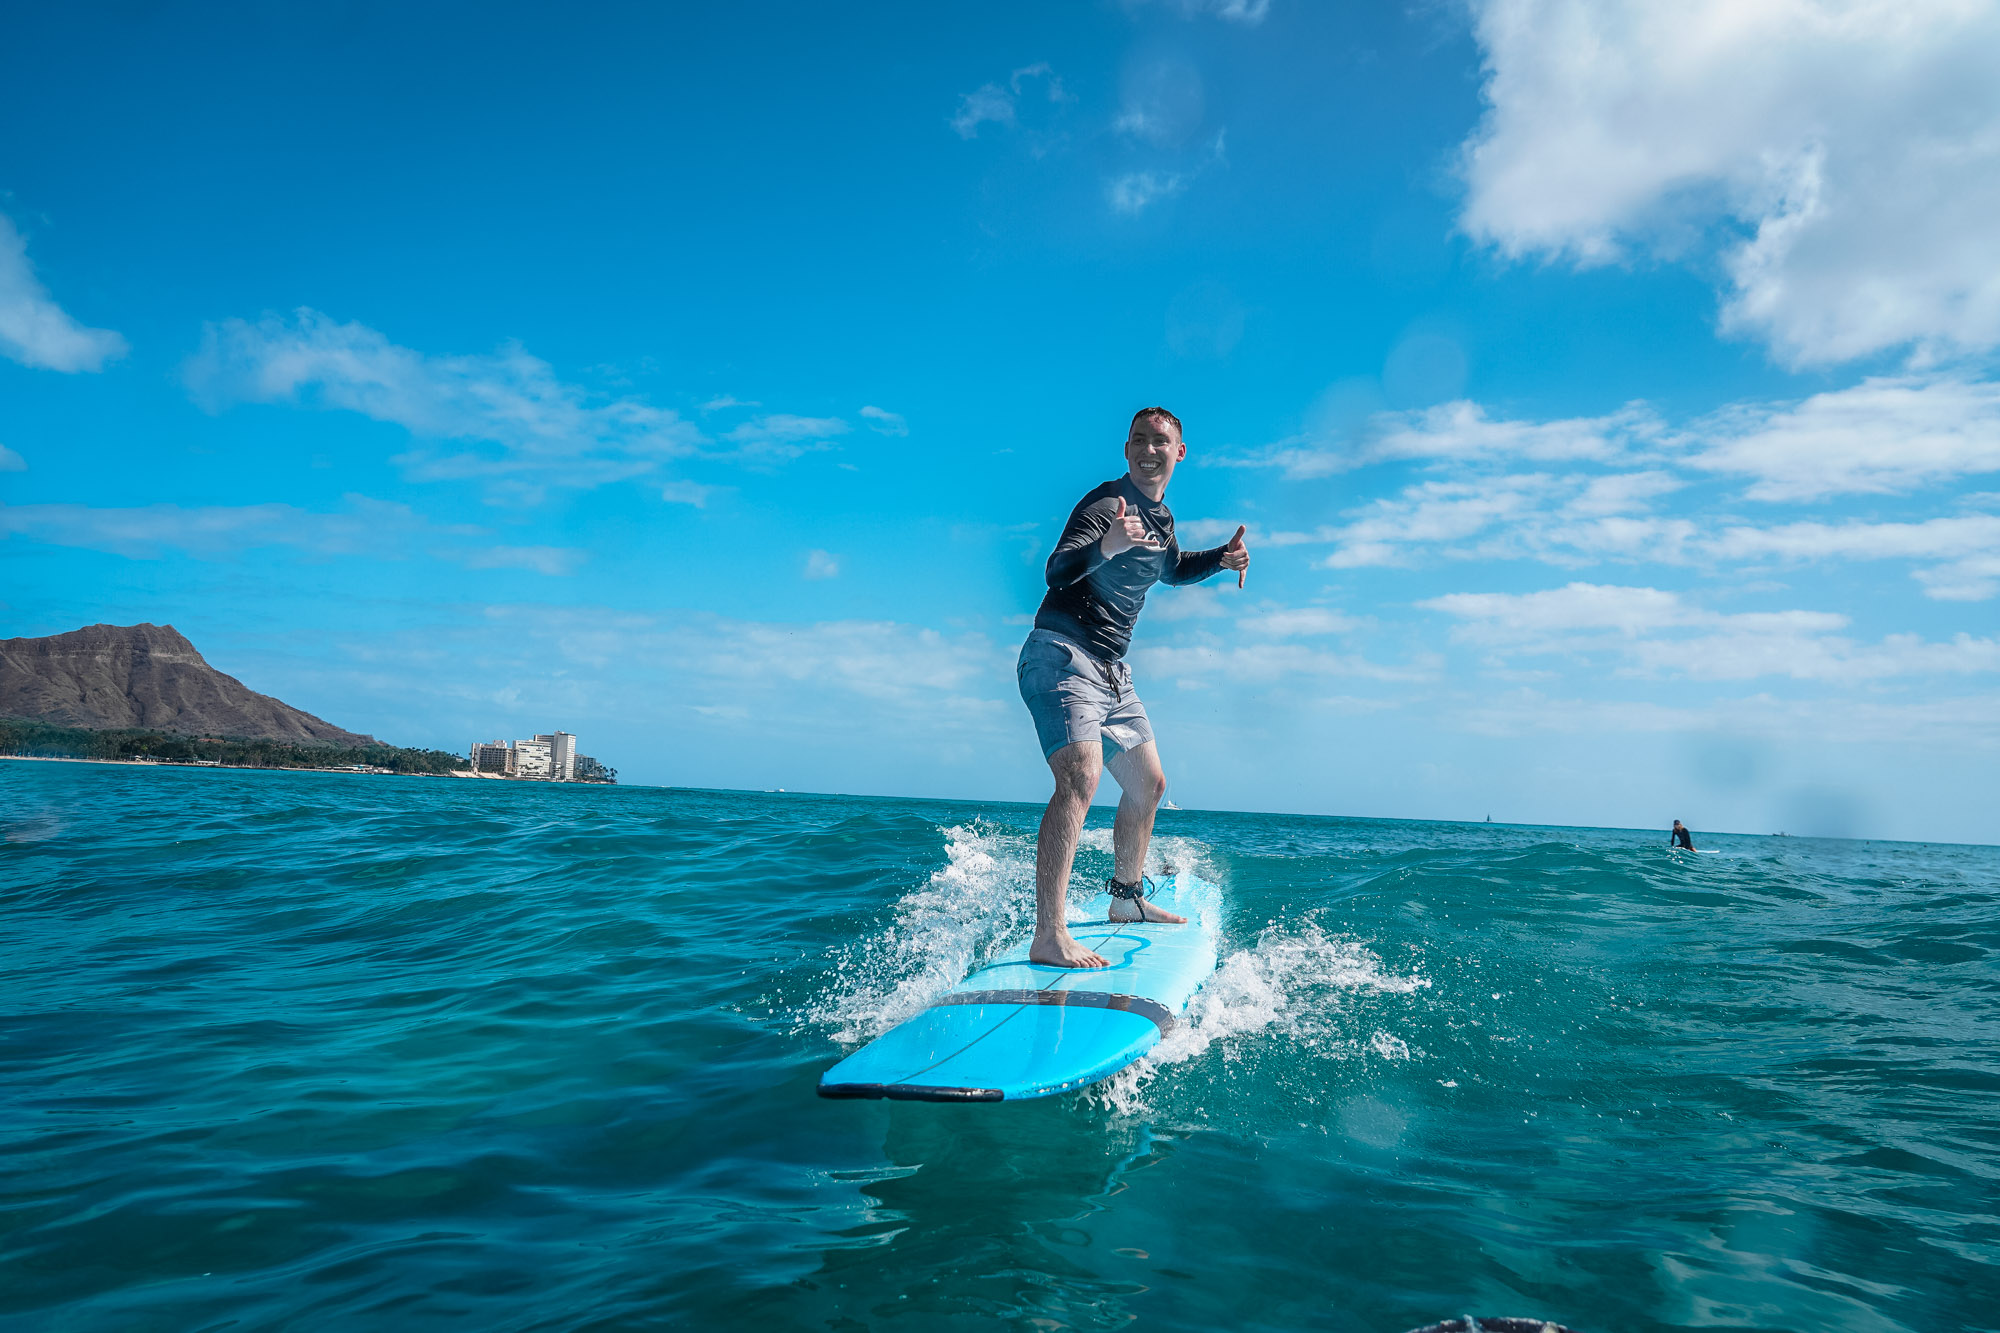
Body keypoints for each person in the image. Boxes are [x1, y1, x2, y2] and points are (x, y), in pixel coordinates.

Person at [1017, 407, 1250, 968]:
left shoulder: (1162, 520)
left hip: (1112, 671)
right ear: (1126, 450)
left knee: (1149, 784)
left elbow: (1172, 569)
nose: (1149, 450)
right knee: (1081, 776)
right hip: (1061, 654)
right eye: (1139, 440)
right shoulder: (1106, 506)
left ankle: (1126, 899)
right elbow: (1056, 571)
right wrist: (1106, 546)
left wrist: (1221, 559)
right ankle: (1049, 934)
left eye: (1160, 441)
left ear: (1179, 452)